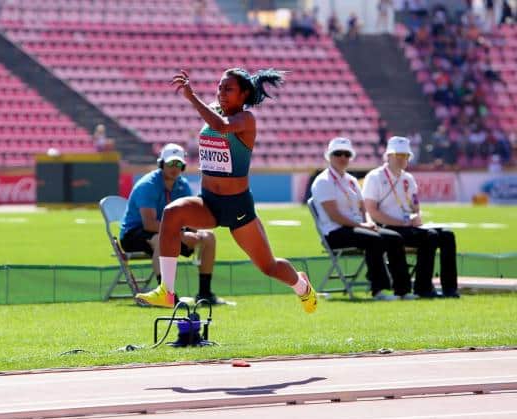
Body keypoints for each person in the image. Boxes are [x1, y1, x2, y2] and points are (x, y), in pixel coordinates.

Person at [135, 68, 317, 312]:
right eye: (220, 87)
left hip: (237, 206)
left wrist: (191, 97)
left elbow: (221, 127)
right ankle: (167, 291)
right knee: (171, 213)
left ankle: (302, 286)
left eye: (228, 89)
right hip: (209, 201)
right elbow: (214, 123)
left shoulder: (246, 120)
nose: (221, 93)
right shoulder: (214, 111)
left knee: (268, 266)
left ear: (244, 94)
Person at [311, 137, 416, 301]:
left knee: (395, 238)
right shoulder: (323, 181)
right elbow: (335, 216)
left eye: (347, 154)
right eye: (338, 153)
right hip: (334, 232)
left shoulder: (351, 180)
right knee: (374, 240)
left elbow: (363, 208)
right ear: (329, 156)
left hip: (356, 227)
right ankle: (378, 290)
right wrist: (362, 225)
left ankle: (402, 290)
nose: (343, 158)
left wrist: (369, 222)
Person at [119, 143, 222, 304]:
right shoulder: (148, 185)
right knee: (161, 239)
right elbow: (149, 224)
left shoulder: (183, 185)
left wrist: (195, 233)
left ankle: (205, 293)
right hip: (135, 234)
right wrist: (181, 234)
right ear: (161, 164)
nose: (175, 168)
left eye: (178, 164)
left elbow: (191, 217)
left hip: (171, 231)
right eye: (171, 163)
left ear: (183, 166)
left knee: (208, 237)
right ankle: (166, 295)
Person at [362, 136, 460, 298]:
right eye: (398, 155)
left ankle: (450, 288)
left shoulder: (408, 179)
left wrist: (416, 217)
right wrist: (402, 222)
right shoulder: (375, 177)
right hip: (387, 226)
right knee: (430, 237)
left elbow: (415, 206)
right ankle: (423, 287)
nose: (402, 159)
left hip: (408, 226)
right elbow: (371, 211)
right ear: (389, 156)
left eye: (405, 156)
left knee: (448, 235)